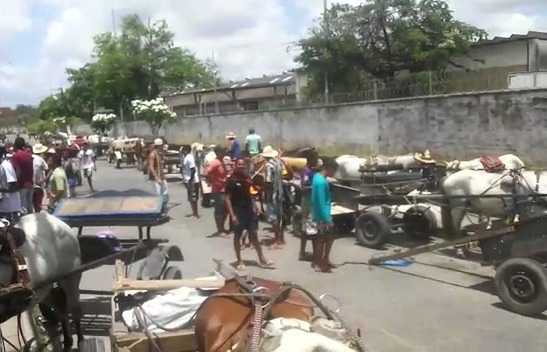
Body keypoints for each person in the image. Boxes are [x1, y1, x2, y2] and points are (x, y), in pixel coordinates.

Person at [225, 158, 274, 271]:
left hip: (249, 211)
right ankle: (239, 260)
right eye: (239, 164)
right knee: (237, 236)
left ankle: (262, 259)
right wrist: (232, 215)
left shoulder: (247, 179)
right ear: (235, 165)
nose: (241, 166)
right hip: (237, 211)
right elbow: (227, 199)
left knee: (254, 235)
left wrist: (255, 205)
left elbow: (251, 193)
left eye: (243, 164)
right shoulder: (231, 180)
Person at [311, 157, 339, 273]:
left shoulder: (317, 177)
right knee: (322, 240)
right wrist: (327, 219)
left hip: (319, 213)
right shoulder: (322, 182)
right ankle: (319, 262)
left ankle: (325, 259)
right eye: (334, 170)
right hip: (322, 215)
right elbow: (321, 202)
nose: (335, 173)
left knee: (328, 238)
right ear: (329, 168)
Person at [262, 145, 285, 249]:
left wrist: (266, 195)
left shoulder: (268, 166)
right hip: (280, 193)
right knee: (280, 217)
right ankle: (281, 238)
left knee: (273, 218)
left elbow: (268, 182)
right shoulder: (278, 163)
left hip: (272, 195)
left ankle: (277, 241)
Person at [298, 155, 319, 261]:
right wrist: (316, 186)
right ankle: (316, 254)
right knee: (312, 228)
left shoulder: (312, 170)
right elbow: (303, 187)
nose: (317, 161)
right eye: (315, 159)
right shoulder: (307, 171)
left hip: (311, 201)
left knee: (305, 228)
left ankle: (302, 252)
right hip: (308, 202)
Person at [206, 146, 228, 236]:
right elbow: (206, 172)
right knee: (219, 210)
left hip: (224, 189)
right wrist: (213, 181)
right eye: (222, 152)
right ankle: (219, 230)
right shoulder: (215, 162)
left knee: (225, 209)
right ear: (218, 153)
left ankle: (222, 228)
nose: (224, 153)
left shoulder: (221, 162)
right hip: (218, 190)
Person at [11, 137, 34, 214]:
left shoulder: (16, 156)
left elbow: (16, 171)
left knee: (23, 209)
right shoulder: (28, 155)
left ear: (15, 145)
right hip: (30, 183)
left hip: (22, 185)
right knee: (30, 207)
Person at [0, 148, 21, 222]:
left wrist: (2, 189)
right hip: (4, 207)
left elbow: (14, 185)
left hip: (10, 208)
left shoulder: (6, 166)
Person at [148, 138, 168, 208]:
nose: (163, 147)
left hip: (162, 177)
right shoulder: (153, 154)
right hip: (157, 178)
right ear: (159, 146)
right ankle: (158, 212)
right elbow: (151, 167)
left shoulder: (159, 153)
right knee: (158, 196)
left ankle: (163, 211)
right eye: (162, 145)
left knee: (165, 195)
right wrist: (157, 178)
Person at [181, 145, 200, 219]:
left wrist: (190, 180)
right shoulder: (186, 157)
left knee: (193, 198)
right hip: (189, 180)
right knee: (190, 198)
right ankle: (193, 213)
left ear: (186, 150)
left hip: (193, 181)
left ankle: (196, 214)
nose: (182, 151)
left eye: (183, 150)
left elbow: (193, 169)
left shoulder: (189, 157)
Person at [31, 143, 49, 212]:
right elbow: (47, 168)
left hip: (30, 186)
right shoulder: (40, 159)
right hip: (38, 186)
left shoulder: (31, 157)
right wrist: (44, 179)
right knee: (38, 206)